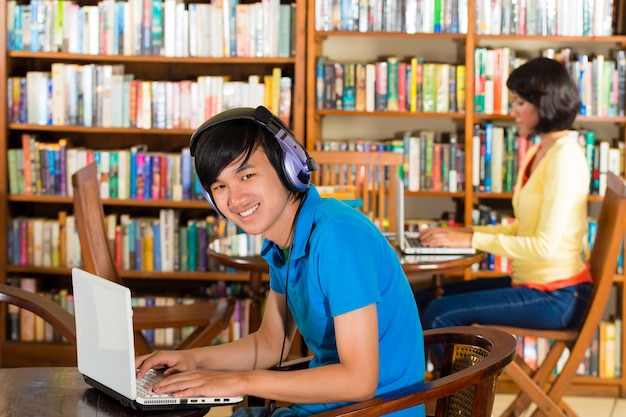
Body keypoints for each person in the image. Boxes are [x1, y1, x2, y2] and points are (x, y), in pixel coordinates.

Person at [136, 105, 425, 417]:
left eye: (246, 175)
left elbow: (359, 381)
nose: (234, 199)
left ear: (289, 167)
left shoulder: (337, 237)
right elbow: (272, 343)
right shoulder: (283, 242)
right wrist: (192, 360)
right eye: (220, 186)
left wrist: (238, 382)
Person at [416, 57, 593, 335]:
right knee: (423, 298)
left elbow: (543, 247)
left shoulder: (565, 159)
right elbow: (522, 228)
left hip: (557, 295)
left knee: (438, 315)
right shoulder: (540, 152)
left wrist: (472, 239)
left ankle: (457, 381)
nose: (514, 112)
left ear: (545, 103)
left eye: (520, 103)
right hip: (533, 284)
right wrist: (468, 231)